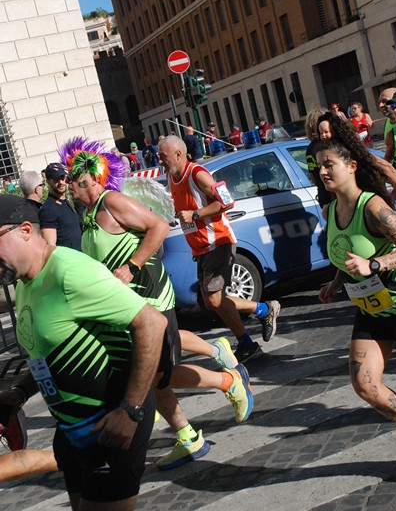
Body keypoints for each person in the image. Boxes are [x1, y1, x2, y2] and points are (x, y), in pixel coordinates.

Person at [60, 136, 254, 470]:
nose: (65, 186)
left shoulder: (113, 203)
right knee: (151, 378)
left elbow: (159, 226)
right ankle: (190, 437)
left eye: (70, 179)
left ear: (88, 178)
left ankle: (229, 381)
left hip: (152, 297)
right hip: (127, 306)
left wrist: (131, 265)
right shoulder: (90, 214)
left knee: (155, 377)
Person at [0, 193, 167, 510]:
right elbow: (50, 351)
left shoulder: (69, 271)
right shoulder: (25, 281)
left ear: (24, 230)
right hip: (72, 429)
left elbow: (152, 323)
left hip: (110, 422)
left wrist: (131, 410)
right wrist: (19, 392)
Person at [158, 135, 281, 364]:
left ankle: (253, 331)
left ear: (178, 154)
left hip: (219, 242)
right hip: (202, 247)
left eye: (162, 156)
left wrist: (194, 215)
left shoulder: (197, 173)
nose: (159, 160)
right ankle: (259, 318)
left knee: (214, 300)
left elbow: (226, 201)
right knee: (211, 301)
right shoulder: (171, 177)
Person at [316, 138, 396, 446]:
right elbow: (348, 252)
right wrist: (336, 282)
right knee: (365, 386)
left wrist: (375, 264)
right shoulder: (328, 212)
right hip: (371, 310)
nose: (324, 172)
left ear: (351, 167)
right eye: (319, 166)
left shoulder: (373, 206)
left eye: (330, 164)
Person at [318, 111, 396, 201]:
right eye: (320, 133)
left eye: (326, 132)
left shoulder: (362, 157)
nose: (323, 136)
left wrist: (387, 202)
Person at [39, 163, 82, 251]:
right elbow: (50, 247)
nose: (61, 182)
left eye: (62, 178)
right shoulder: (48, 210)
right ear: (48, 181)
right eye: (56, 180)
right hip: (69, 261)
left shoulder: (65, 202)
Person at [305, 108, 333, 208]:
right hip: (335, 195)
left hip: (323, 195)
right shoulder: (328, 145)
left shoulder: (310, 149)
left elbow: (313, 176)